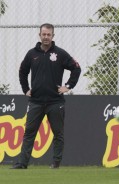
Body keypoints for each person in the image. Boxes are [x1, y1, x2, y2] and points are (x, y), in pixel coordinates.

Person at [12, 23, 81, 169]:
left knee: (58, 134)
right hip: (35, 101)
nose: (46, 37)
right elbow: (22, 71)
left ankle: (55, 163)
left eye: (49, 34)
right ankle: (22, 163)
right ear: (39, 35)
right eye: (43, 34)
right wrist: (26, 89)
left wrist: (68, 86)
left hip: (55, 102)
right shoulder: (31, 54)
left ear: (53, 36)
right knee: (29, 133)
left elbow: (76, 68)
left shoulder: (60, 54)